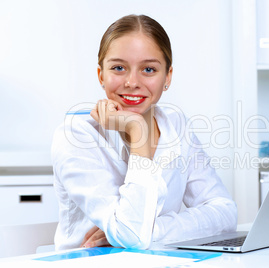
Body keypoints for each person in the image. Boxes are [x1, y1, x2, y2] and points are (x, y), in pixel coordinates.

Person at [51, 14, 237, 250]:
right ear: (101, 75)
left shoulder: (176, 125)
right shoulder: (76, 136)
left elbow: (225, 211)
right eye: (119, 68)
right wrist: (137, 131)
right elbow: (131, 236)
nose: (132, 82)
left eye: (148, 69)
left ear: (167, 77)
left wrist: (151, 230)